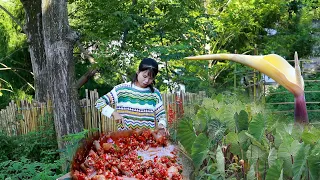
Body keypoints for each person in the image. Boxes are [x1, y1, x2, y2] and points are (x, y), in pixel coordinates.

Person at [95, 58, 167, 132]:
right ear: (138, 71)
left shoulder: (155, 94)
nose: (146, 81)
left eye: (151, 78)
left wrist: (161, 125)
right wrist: (113, 113)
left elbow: (162, 116)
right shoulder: (122, 89)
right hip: (124, 139)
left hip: (147, 140)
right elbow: (99, 103)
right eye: (144, 76)